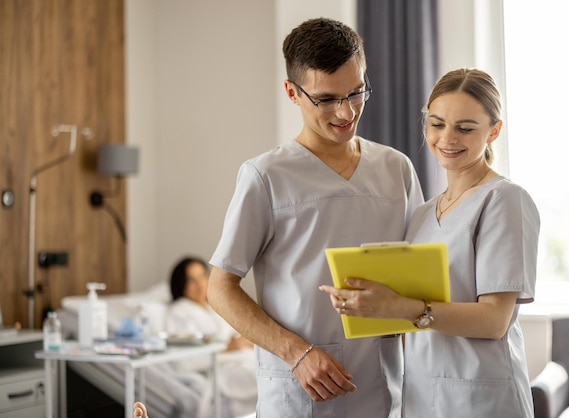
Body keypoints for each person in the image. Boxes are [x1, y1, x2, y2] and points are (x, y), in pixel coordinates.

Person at [207, 17, 424, 417]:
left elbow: (419, 280)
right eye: (326, 99)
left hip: (381, 391)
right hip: (297, 394)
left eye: (356, 92)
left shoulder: (397, 169)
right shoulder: (265, 175)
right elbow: (219, 288)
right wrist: (297, 353)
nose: (345, 112)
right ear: (292, 92)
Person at [320, 68, 540, 417]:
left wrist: (398, 307)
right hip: (422, 396)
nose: (447, 138)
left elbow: (494, 321)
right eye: (437, 124)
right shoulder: (422, 214)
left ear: (493, 131)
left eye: (465, 128)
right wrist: (366, 303)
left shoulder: (504, 200)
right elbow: (413, 310)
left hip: (483, 399)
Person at [165, 256, 256, 418]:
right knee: (263, 376)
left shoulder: (212, 307)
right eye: (191, 280)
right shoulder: (179, 312)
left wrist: (246, 340)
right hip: (219, 370)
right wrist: (227, 348)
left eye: (202, 277)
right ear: (181, 284)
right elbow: (185, 359)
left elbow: (232, 334)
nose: (200, 284)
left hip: (239, 359)